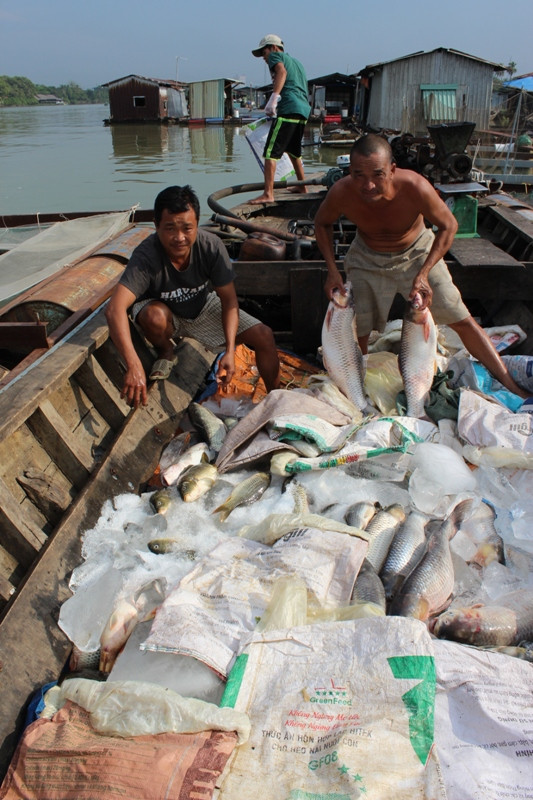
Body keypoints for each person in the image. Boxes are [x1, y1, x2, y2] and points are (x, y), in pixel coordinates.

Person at [314, 134, 529, 399]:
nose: (368, 185)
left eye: (378, 175)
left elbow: (449, 225)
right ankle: (359, 393)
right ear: (350, 172)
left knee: (460, 317)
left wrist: (425, 272)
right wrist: (332, 271)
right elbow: (321, 223)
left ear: (392, 169)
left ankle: (511, 384)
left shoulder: (415, 186)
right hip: (366, 255)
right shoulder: (342, 191)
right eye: (358, 175)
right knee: (357, 329)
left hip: (417, 251)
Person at [105, 185, 280, 409]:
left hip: (202, 306)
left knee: (264, 335)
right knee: (154, 316)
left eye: (187, 229)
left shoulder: (211, 247)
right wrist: (134, 365)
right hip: (163, 314)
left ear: (197, 225)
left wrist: (229, 351)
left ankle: (276, 400)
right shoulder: (146, 255)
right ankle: (166, 350)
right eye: (170, 228)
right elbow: (114, 309)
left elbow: (229, 302)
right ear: (156, 226)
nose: (179, 238)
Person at [250, 34, 311, 204]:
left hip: (289, 108)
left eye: (264, 53)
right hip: (303, 111)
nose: (264, 58)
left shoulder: (276, 57)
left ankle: (268, 193)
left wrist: (273, 98)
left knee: (270, 152)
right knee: (294, 151)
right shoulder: (297, 63)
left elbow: (281, 73)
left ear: (273, 48)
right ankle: (302, 185)